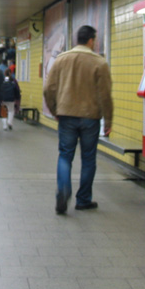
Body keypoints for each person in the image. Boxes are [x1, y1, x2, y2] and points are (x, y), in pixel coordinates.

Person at [43, 25, 113, 215]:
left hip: (66, 115)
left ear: (77, 40)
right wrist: (108, 121)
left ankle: (63, 189)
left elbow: (48, 89)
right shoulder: (100, 63)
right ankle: (83, 200)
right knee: (88, 158)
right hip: (90, 117)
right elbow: (105, 95)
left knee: (65, 155)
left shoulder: (61, 59)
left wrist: (55, 109)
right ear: (91, 40)